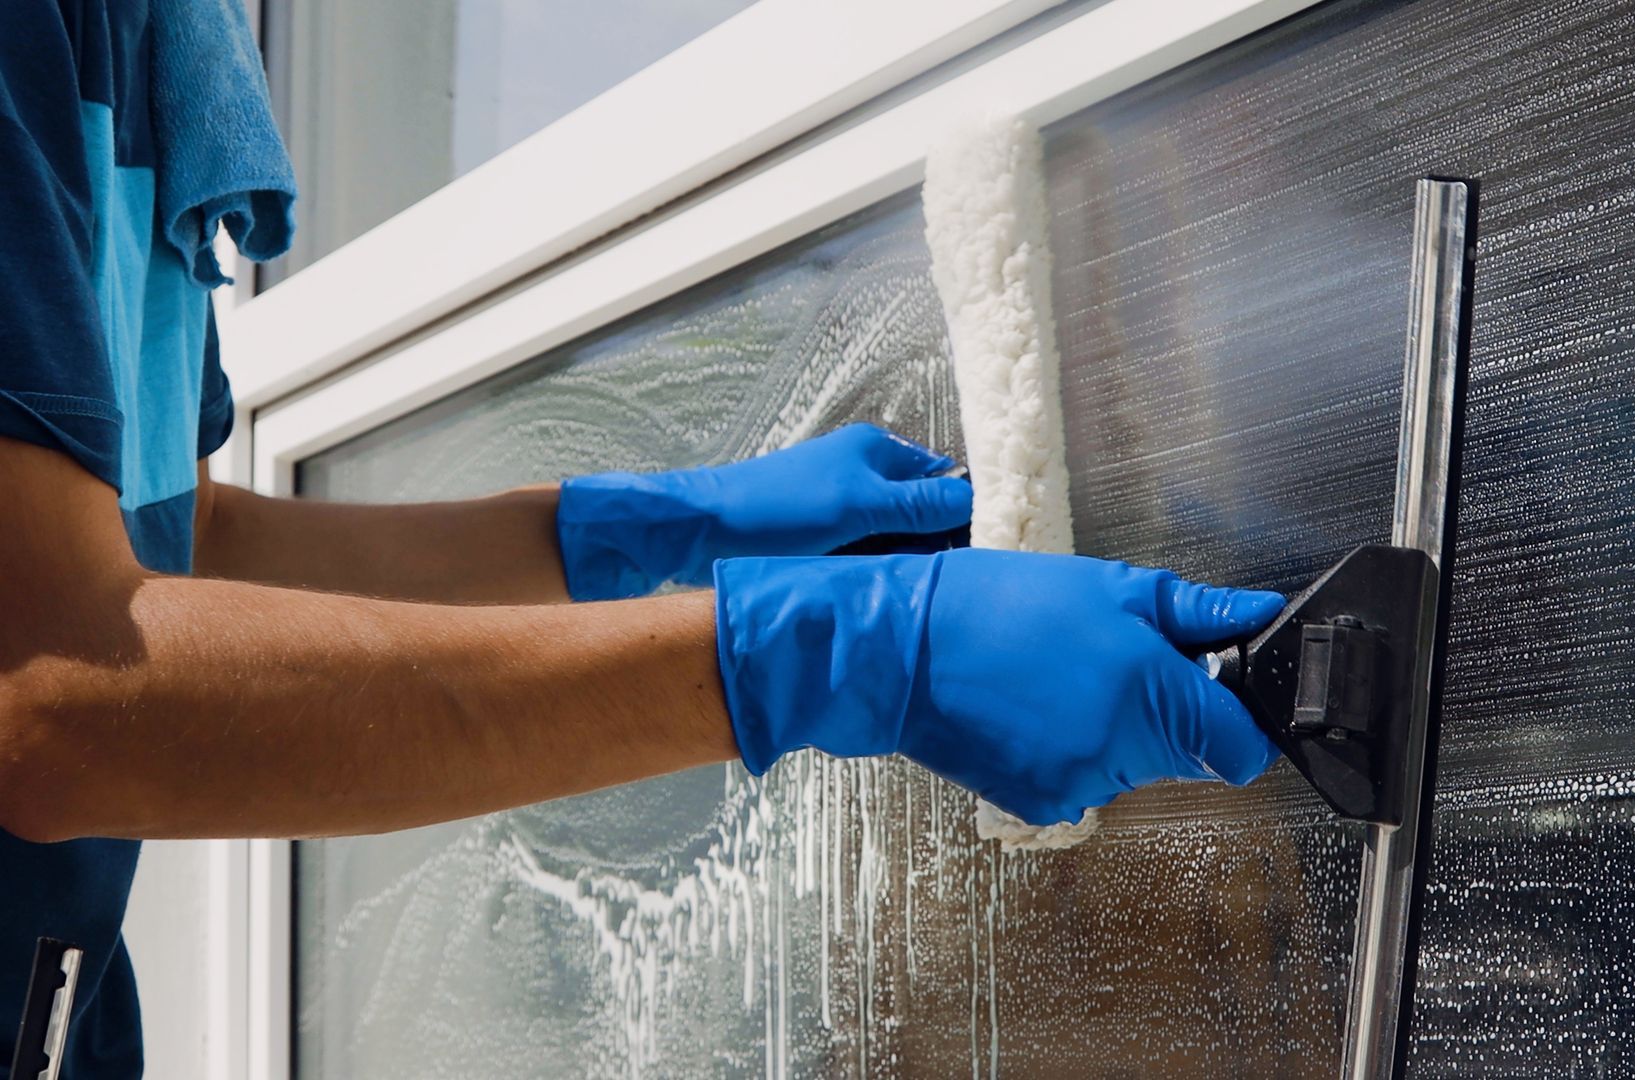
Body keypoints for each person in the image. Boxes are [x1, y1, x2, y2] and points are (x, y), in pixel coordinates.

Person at [0, 2, 1284, 1074]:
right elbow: (54, 693)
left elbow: (188, 544)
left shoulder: (153, 45)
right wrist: (831, 657)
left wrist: (656, 528)